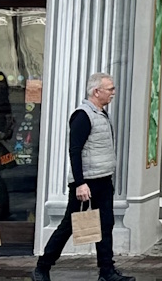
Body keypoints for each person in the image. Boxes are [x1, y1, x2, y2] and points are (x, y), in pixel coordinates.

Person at [32, 73, 132, 281]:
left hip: (103, 179)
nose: (113, 93)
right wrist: (80, 183)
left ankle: (107, 271)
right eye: (110, 89)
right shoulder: (83, 116)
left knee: (105, 224)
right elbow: (75, 150)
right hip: (86, 182)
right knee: (69, 225)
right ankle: (42, 267)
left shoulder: (101, 114)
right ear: (96, 91)